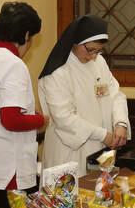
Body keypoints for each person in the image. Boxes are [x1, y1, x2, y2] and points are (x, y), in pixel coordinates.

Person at [0, 2, 48, 208]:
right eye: (31, 38)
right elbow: (11, 119)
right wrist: (41, 120)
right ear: (25, 35)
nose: (30, 45)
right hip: (9, 162)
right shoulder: (13, 64)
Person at [38, 15, 130, 176]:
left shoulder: (99, 62)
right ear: (75, 41)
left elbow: (116, 95)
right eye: (90, 50)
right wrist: (103, 135)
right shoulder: (58, 71)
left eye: (98, 51)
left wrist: (120, 123)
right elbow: (64, 117)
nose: (93, 56)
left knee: (98, 195)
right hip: (68, 150)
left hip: (101, 148)